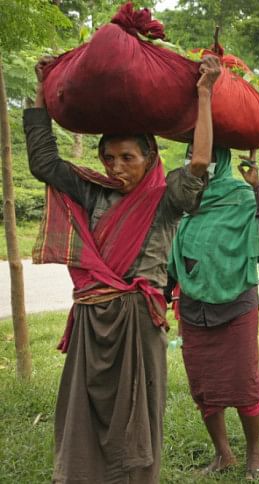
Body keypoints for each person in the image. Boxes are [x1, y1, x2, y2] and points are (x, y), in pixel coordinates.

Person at [26, 55, 220, 482]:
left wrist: (204, 93)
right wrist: (41, 92)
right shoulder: (94, 193)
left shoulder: (166, 198)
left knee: (138, 415)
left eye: (127, 157)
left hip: (137, 321)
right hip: (92, 322)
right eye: (109, 158)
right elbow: (44, 164)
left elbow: (201, 161)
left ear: (149, 156)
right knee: (84, 409)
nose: (116, 167)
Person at [168, 147, 259, 479]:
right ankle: (223, 454)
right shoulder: (183, 198)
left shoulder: (241, 196)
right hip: (193, 307)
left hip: (236, 305)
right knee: (203, 386)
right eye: (191, 155)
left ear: (218, 161)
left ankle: (253, 453)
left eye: (204, 155)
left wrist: (257, 186)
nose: (196, 161)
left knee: (243, 383)